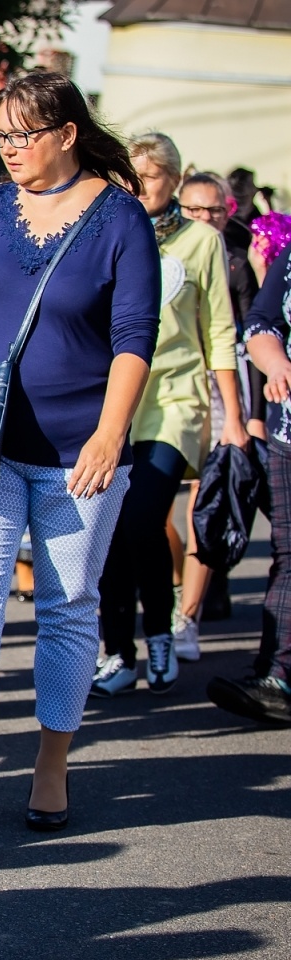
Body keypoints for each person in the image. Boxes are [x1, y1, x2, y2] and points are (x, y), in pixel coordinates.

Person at [0, 72, 159, 843]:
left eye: (24, 135)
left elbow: (133, 335)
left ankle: (52, 761)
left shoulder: (120, 219)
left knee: (67, 609)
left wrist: (113, 432)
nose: (9, 150)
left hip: (80, 453)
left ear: (67, 133)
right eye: (1, 137)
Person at [86, 132, 242, 698]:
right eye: (129, 174)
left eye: (148, 176)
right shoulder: (109, 228)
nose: (136, 185)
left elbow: (219, 329)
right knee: (106, 526)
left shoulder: (201, 241)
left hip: (175, 402)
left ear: (174, 180)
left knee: (141, 515)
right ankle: (119, 652)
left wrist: (234, 416)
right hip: (112, 405)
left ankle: (158, 635)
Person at [171, 171, 261, 658]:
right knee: (154, 508)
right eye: (196, 209)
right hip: (169, 382)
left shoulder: (241, 255)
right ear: (179, 207)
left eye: (215, 210)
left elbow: (243, 327)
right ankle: (176, 586)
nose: (206, 218)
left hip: (222, 379)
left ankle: (188, 616)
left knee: (204, 504)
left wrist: (242, 412)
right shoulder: (164, 247)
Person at [209, 245, 291, 725]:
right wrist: (276, 364)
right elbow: (260, 324)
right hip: (287, 434)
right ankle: (277, 677)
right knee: (288, 553)